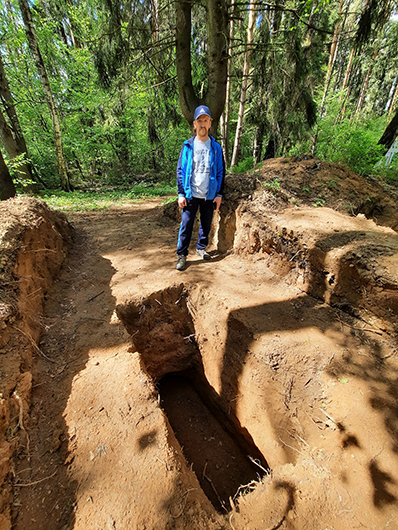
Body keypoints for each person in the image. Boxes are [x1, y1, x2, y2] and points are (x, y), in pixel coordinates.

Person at [175, 105, 225, 271]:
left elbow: (220, 171)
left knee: (206, 223)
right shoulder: (188, 146)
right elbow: (180, 170)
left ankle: (201, 248)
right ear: (194, 124)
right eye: (199, 121)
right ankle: (182, 255)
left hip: (208, 194)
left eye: (206, 120)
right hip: (191, 193)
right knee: (186, 225)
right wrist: (181, 193)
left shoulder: (216, 148)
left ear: (210, 123)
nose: (203, 124)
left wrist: (218, 193)